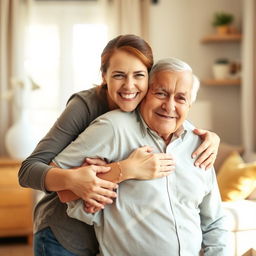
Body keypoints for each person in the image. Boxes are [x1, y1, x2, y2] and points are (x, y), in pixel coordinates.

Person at [18, 35, 220, 256]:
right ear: (104, 76)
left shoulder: (156, 117)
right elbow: (32, 172)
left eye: (138, 75)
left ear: (148, 80)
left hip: (99, 235)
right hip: (64, 231)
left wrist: (207, 136)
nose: (129, 86)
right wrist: (125, 169)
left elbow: (173, 110)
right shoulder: (89, 109)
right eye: (119, 75)